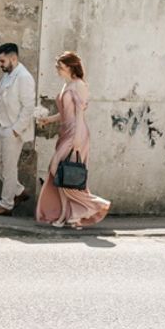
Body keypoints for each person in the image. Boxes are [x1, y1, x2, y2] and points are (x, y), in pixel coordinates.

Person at [35, 51, 110, 228]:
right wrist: (48, 119)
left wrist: (76, 139)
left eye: (60, 67)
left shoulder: (79, 85)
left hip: (77, 132)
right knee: (61, 174)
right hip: (66, 131)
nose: (57, 70)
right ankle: (67, 215)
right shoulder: (67, 85)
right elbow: (64, 114)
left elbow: (78, 114)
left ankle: (93, 205)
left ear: (69, 67)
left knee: (57, 169)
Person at [0, 43, 36, 215]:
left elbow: (29, 107)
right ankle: (19, 191)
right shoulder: (8, 75)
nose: (0, 64)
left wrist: (16, 130)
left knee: (9, 168)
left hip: (13, 130)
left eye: (2, 61)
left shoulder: (24, 77)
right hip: (1, 126)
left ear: (13, 58)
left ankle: (6, 205)